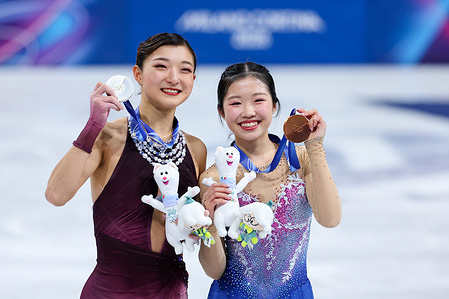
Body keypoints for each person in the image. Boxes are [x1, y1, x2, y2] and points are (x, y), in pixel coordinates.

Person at [45, 33, 207, 298]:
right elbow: (56, 194)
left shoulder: (196, 149)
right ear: (138, 74)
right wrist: (92, 127)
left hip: (172, 290)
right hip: (111, 292)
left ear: (193, 80)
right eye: (161, 66)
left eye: (185, 70)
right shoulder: (107, 137)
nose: (174, 78)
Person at [198, 62, 341, 298]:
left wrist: (315, 146)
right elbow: (214, 270)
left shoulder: (300, 160)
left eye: (258, 100)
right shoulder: (215, 178)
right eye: (235, 103)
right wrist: (210, 223)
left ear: (274, 106)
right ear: (221, 112)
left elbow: (330, 219)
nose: (248, 112)